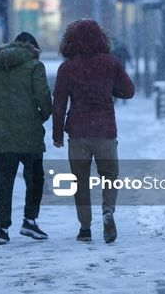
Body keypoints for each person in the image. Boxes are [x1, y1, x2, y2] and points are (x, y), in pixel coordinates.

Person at [52, 20, 135, 243]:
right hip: (105, 130)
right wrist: (108, 88)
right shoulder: (111, 63)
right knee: (110, 177)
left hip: (78, 133)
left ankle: (85, 228)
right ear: (102, 38)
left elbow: (59, 103)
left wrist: (57, 134)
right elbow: (128, 91)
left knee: (80, 181)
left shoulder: (67, 68)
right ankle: (108, 211)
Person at [0, 32, 52, 245]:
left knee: (2, 182)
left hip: (2, 136)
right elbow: (44, 97)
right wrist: (41, 116)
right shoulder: (35, 67)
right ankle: (29, 221)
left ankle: (2, 229)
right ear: (33, 49)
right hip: (30, 135)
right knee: (35, 179)